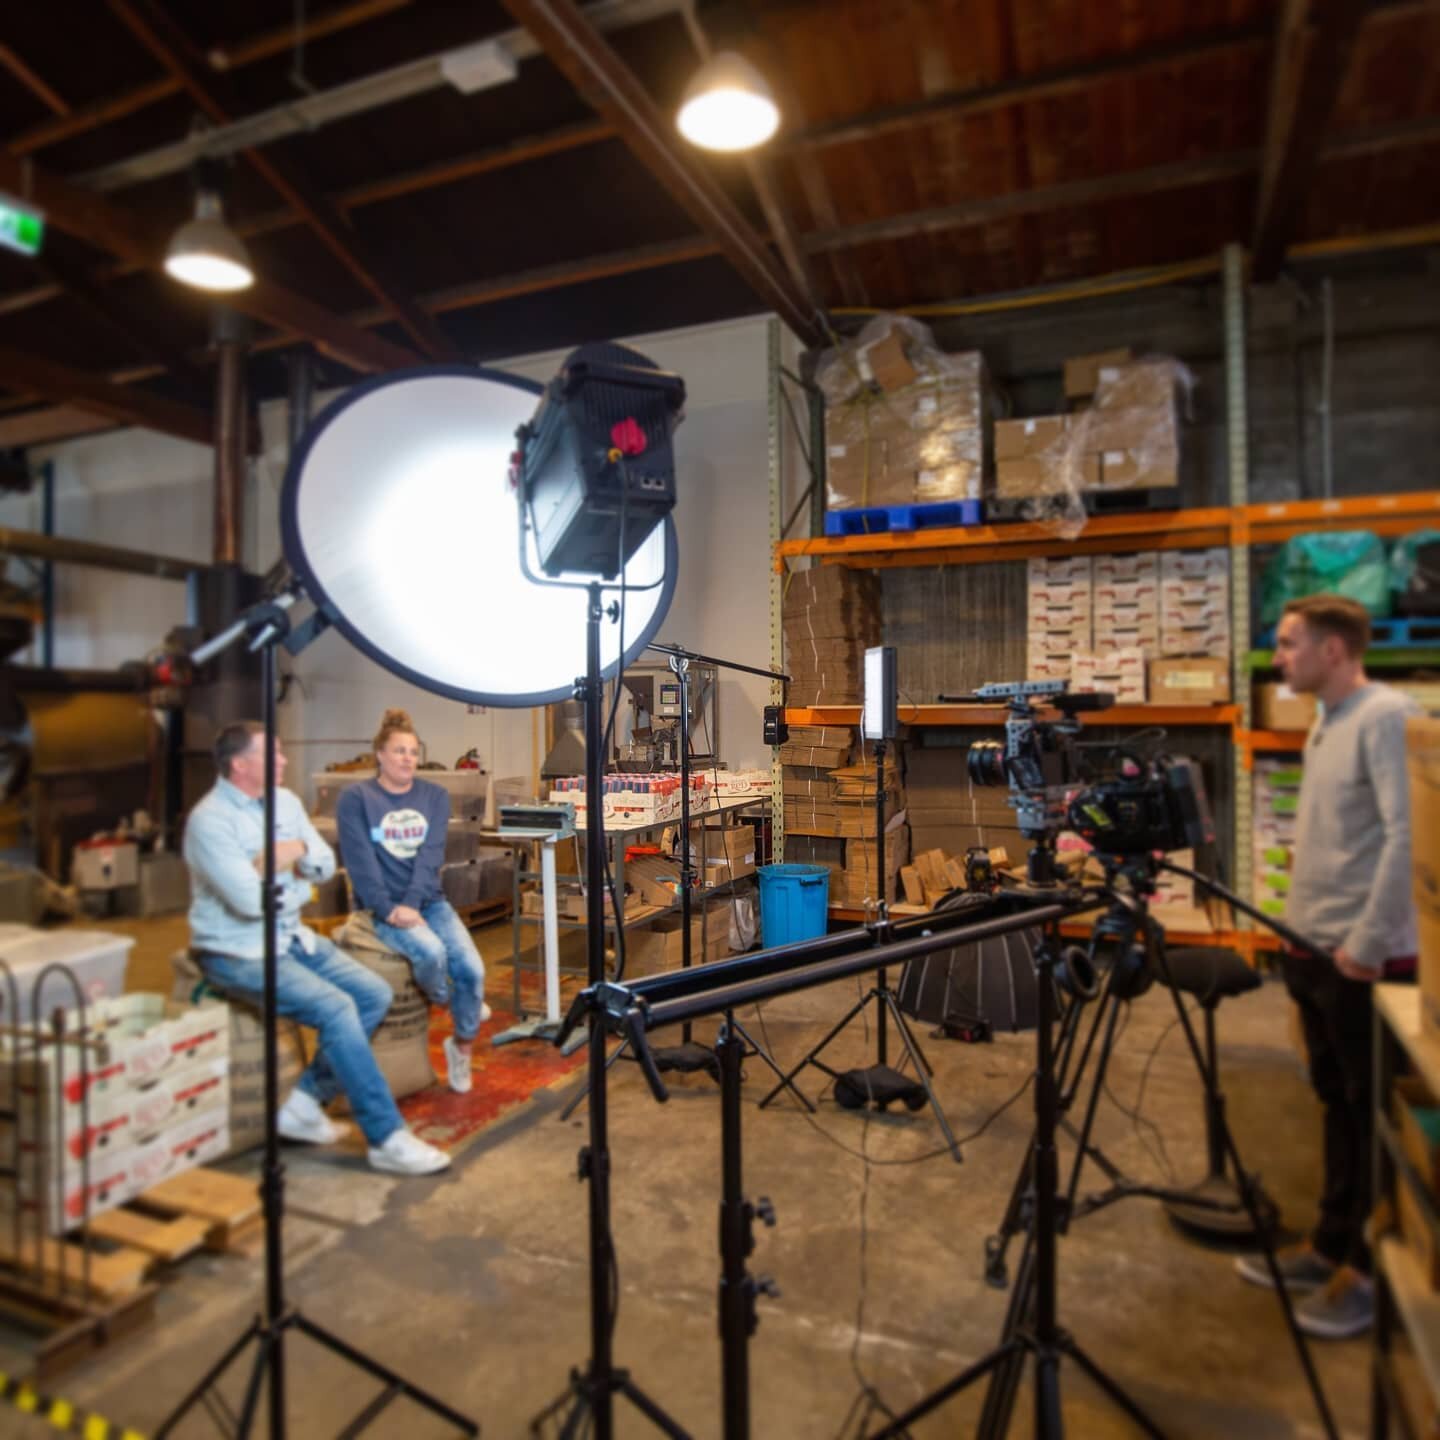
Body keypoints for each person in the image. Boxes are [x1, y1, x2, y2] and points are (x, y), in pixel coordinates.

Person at [1234, 595, 1419, 1339]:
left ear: (1334, 650)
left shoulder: (1383, 718)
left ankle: (1369, 1274)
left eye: (1288, 644)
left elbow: (1409, 838)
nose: (1278, 659)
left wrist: (1366, 946)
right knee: (1336, 1104)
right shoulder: (1327, 722)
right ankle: (1331, 1243)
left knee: (1374, 1117)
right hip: (1312, 948)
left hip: (1360, 961)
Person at [184, 721, 451, 1177]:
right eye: (274, 754)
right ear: (240, 764)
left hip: (292, 937)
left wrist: (286, 854)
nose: (285, 761)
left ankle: (304, 1103)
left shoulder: (285, 803)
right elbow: (250, 904)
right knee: (337, 1008)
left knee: (374, 995)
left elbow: (325, 865)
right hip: (238, 951)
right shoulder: (210, 821)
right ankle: (386, 1137)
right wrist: (291, 870)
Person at [336, 709, 491, 1095]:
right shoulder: (356, 798)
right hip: (380, 907)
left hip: (427, 901)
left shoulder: (433, 796)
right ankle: (455, 1004)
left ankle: (461, 1047)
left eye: (412, 751)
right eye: (399, 751)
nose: (407, 758)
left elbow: (430, 856)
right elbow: (360, 863)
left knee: (472, 969)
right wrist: (390, 909)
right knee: (431, 955)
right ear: (380, 756)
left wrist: (412, 904)